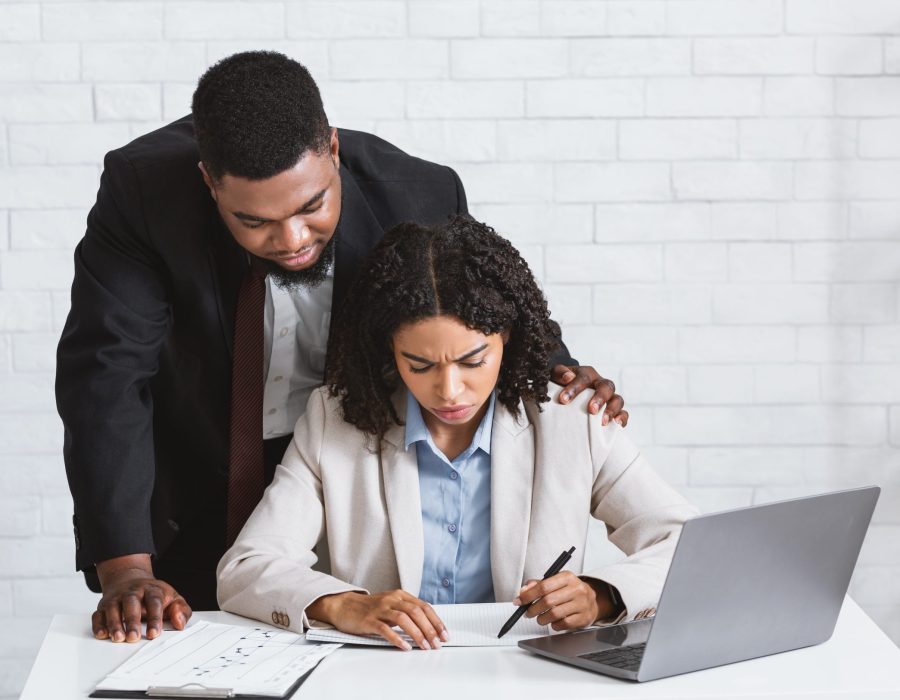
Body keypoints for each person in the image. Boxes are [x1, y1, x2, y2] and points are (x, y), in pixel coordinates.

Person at [55, 51, 629, 644]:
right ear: (209, 183)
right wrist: (126, 568)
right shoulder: (144, 192)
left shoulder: (417, 194)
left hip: (347, 472)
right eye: (255, 222)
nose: (292, 239)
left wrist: (559, 370)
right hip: (198, 486)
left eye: (311, 206)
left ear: (332, 149)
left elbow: (478, 301)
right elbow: (106, 373)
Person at [217, 216, 697, 650]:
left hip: (524, 677)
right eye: (419, 364)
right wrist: (342, 604)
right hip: (384, 678)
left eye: (473, 361)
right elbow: (246, 567)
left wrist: (603, 595)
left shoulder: (573, 422)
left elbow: (685, 543)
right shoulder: (333, 421)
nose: (449, 391)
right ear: (390, 351)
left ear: (505, 337)